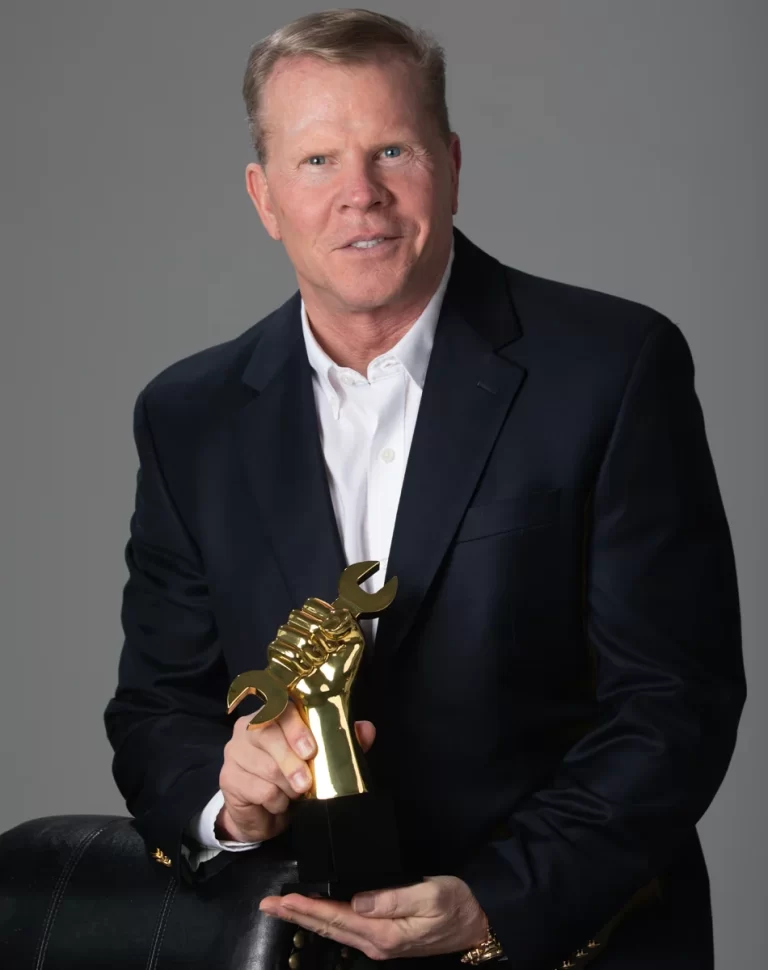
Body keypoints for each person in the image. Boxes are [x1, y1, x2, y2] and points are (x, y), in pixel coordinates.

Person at [103, 9, 745, 969]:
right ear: (264, 195)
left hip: (569, 940)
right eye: (317, 160)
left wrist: (498, 906)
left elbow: (672, 701)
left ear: (448, 161)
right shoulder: (187, 415)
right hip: (299, 944)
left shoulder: (613, 368)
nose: (358, 195)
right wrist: (225, 799)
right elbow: (159, 708)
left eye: (390, 149)